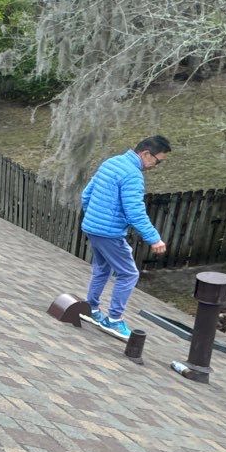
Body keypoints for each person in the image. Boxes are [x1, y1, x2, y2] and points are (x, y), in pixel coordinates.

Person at [79, 135, 171, 339]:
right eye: (158, 160)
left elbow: (86, 194)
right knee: (128, 274)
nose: (157, 165)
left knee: (102, 269)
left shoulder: (111, 162)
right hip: (109, 233)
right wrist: (154, 239)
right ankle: (114, 320)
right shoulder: (133, 175)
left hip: (92, 228)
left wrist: (94, 217)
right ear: (146, 154)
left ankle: (90, 309)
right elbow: (135, 212)